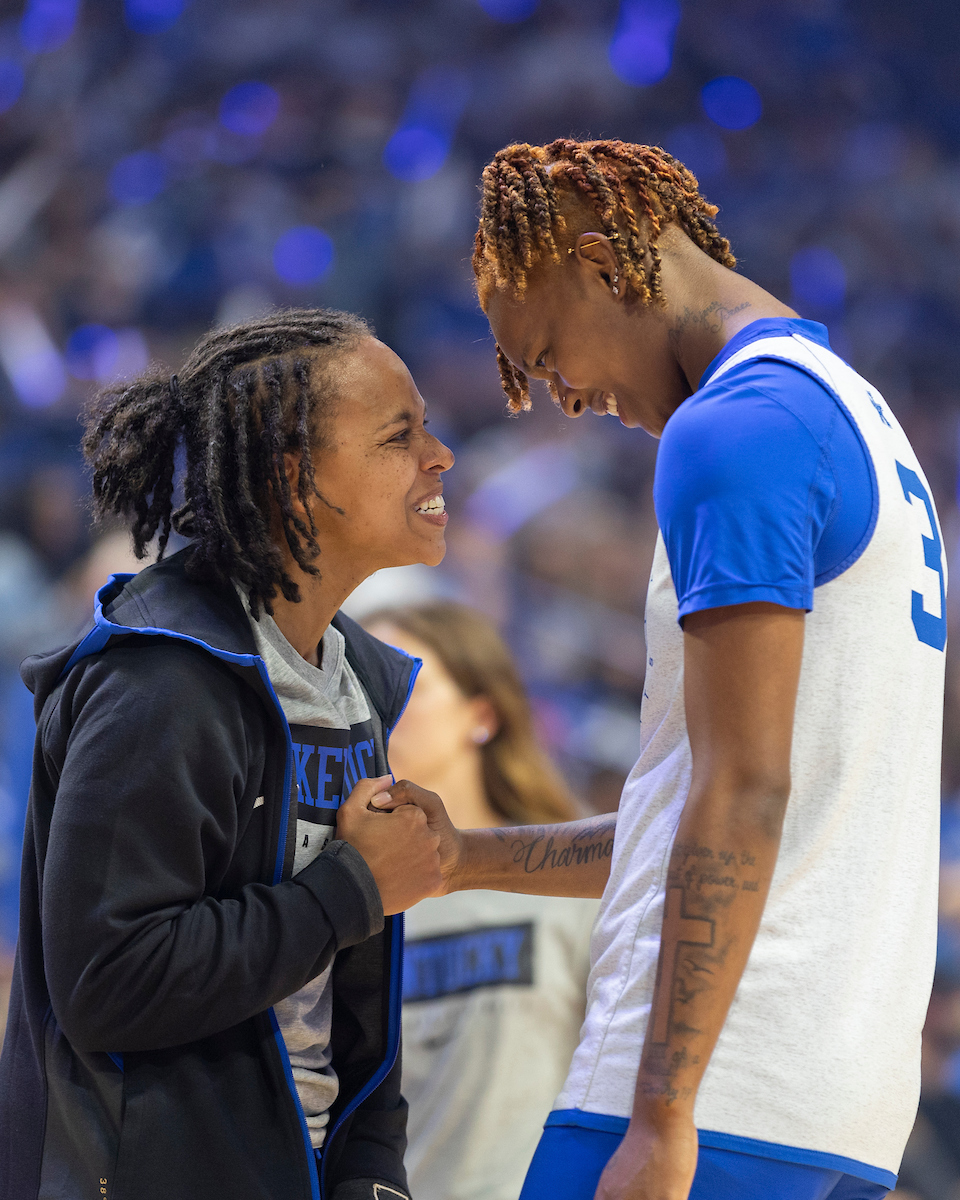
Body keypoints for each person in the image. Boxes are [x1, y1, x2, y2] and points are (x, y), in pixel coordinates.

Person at [375, 139, 946, 1200]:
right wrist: (464, 857)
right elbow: (705, 808)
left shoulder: (735, 431)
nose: (563, 396)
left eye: (546, 356)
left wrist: (662, 1112)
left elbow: (745, 793)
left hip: (717, 1092)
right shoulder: (852, 415)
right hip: (841, 1106)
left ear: (602, 264)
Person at [0, 309, 456, 1200]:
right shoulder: (160, 682)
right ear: (294, 475)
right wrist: (354, 888)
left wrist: (373, 1169)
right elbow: (108, 981)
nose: (439, 456)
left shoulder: (355, 681)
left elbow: (344, 1010)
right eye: (398, 436)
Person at [362, 601, 599, 1200]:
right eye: (359, 690)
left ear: (482, 713)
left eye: (402, 689)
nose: (375, 711)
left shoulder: (573, 880)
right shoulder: (334, 895)